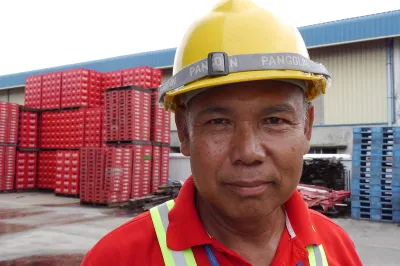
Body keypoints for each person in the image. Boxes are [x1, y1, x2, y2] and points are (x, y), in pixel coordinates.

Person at [81, 0, 363, 265]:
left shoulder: (337, 248)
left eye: (275, 120)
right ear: (184, 131)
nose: (248, 152)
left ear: (306, 127)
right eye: (219, 122)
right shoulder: (117, 257)